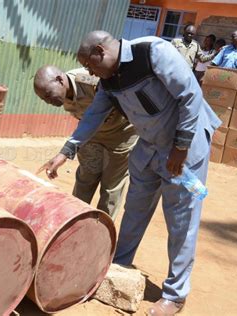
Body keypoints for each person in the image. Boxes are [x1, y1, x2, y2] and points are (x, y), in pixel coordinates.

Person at [39, 31, 221, 315]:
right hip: (148, 149)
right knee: (134, 209)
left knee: (181, 219)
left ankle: (175, 295)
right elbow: (92, 117)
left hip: (184, 148)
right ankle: (121, 267)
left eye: (90, 65)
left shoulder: (151, 52)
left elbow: (190, 95)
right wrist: (66, 152)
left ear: (100, 51)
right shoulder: (108, 81)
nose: (89, 72)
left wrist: (181, 147)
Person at [34, 66, 137, 220]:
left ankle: (102, 232)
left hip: (120, 136)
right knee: (85, 180)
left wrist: (65, 153)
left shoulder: (91, 81)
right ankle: (75, 223)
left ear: (60, 80)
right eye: (44, 99)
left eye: (48, 95)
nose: (48, 101)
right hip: (90, 137)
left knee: (110, 189)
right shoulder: (62, 95)